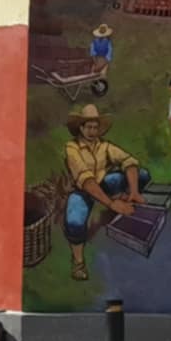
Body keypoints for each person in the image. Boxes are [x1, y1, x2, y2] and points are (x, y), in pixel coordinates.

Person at [61, 104, 148, 284]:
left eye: (95, 127)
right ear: (81, 128)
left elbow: (128, 160)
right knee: (75, 221)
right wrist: (111, 204)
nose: (93, 132)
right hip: (82, 191)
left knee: (142, 175)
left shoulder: (104, 145)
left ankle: (123, 195)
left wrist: (134, 192)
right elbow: (86, 180)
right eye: (89, 127)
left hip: (102, 183)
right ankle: (78, 262)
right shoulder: (72, 148)